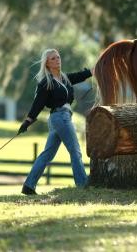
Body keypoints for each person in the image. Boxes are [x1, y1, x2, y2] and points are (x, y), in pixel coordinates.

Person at [18, 48, 93, 195]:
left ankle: (28, 186)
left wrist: (93, 70)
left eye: (58, 57)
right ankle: (83, 184)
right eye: (53, 58)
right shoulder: (46, 82)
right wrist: (28, 121)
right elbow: (38, 104)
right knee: (75, 151)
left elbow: (79, 76)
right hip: (60, 118)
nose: (57, 60)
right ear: (47, 63)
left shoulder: (64, 78)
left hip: (60, 119)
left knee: (47, 155)